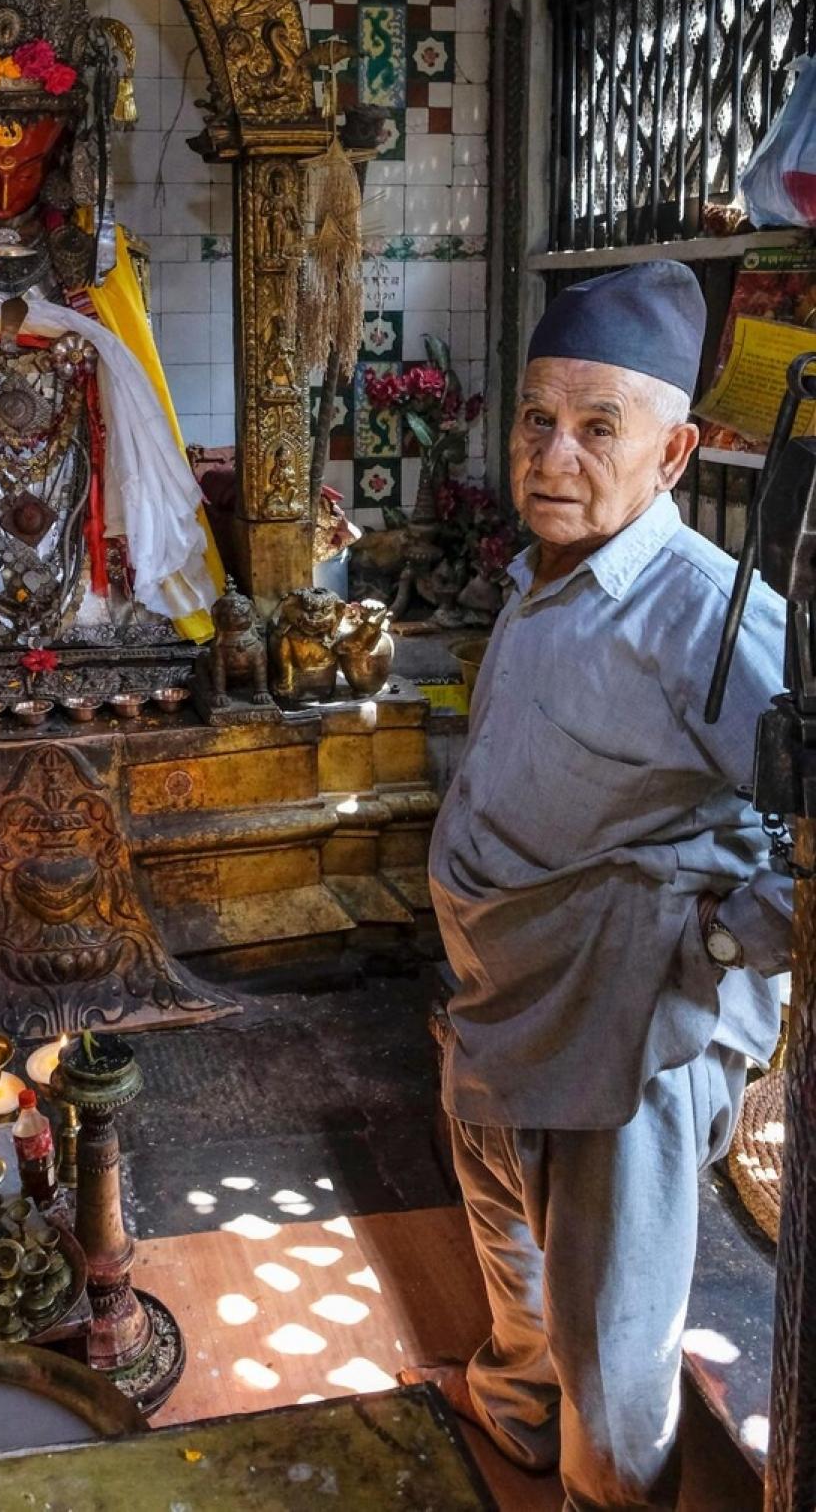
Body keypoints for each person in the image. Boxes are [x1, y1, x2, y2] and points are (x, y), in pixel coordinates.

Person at [405, 260, 792, 1512]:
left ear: (673, 452)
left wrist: (721, 949)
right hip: (510, 984)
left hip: (624, 1018)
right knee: (514, 1244)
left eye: (595, 427)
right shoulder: (545, 570)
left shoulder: (708, 614)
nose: (551, 455)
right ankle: (518, 1413)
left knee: (611, 1329)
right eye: (534, 419)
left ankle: (604, 1495)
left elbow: (803, 825)